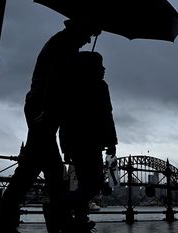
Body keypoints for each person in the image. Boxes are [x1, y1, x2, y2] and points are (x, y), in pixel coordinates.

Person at [0, 20, 101, 233]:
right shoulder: (65, 44)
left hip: (42, 107)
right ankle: (58, 223)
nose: (89, 40)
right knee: (51, 170)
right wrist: (48, 111)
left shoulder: (64, 42)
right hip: (43, 108)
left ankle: (3, 223)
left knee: (32, 168)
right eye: (90, 34)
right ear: (80, 28)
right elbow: (55, 80)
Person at [59, 51, 118, 233]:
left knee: (86, 182)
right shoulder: (100, 87)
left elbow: (65, 120)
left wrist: (66, 146)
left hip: (76, 143)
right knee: (94, 184)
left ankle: (79, 219)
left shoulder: (70, 86)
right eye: (100, 66)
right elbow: (107, 115)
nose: (104, 69)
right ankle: (62, 207)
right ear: (91, 69)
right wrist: (112, 141)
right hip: (91, 144)